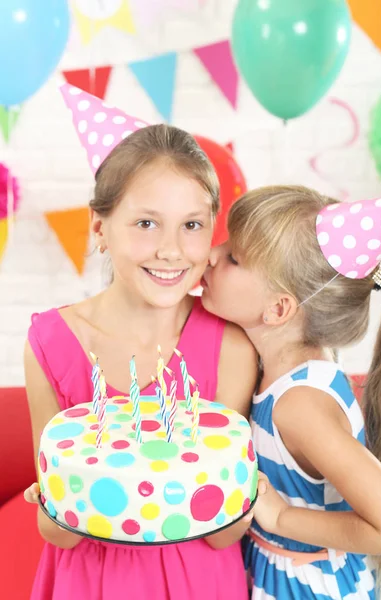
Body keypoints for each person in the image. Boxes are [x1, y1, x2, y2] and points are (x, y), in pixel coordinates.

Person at [23, 85, 257, 600]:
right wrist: (59, 499)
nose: (171, 251)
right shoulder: (50, 343)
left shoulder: (233, 349)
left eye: (192, 225)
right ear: (99, 227)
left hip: (201, 582)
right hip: (87, 582)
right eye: (146, 223)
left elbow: (224, 530)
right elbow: (54, 524)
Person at [202, 184, 381, 599]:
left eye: (233, 257)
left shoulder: (299, 405)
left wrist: (282, 517)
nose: (211, 255)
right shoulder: (283, 374)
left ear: (278, 309)